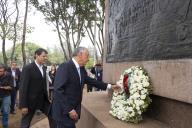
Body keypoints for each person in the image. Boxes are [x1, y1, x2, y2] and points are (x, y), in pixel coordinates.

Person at [51, 47, 121, 128]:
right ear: (80, 55)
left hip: (72, 110)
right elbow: (58, 90)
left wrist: (110, 86)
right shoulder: (65, 67)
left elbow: (91, 81)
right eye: (87, 56)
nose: (88, 59)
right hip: (63, 111)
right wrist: (69, 110)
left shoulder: (81, 69)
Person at [19, 48, 54, 128]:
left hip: (43, 100)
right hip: (30, 102)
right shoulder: (28, 68)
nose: (45, 58)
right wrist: (23, 105)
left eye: (46, 57)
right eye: (43, 56)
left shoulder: (44, 68)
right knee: (25, 124)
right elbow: (23, 87)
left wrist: (48, 97)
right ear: (36, 55)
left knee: (53, 115)